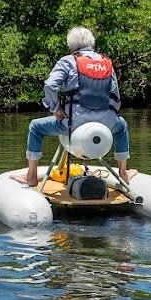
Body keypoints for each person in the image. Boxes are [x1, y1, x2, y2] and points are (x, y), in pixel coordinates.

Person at [15, 26, 131, 187]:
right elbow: (116, 96)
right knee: (122, 126)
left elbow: (49, 86)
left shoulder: (67, 61)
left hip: (73, 125)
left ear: (71, 46)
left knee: (35, 127)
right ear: (91, 43)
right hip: (107, 124)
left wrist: (55, 109)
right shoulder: (106, 62)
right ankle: (123, 174)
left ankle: (31, 176)